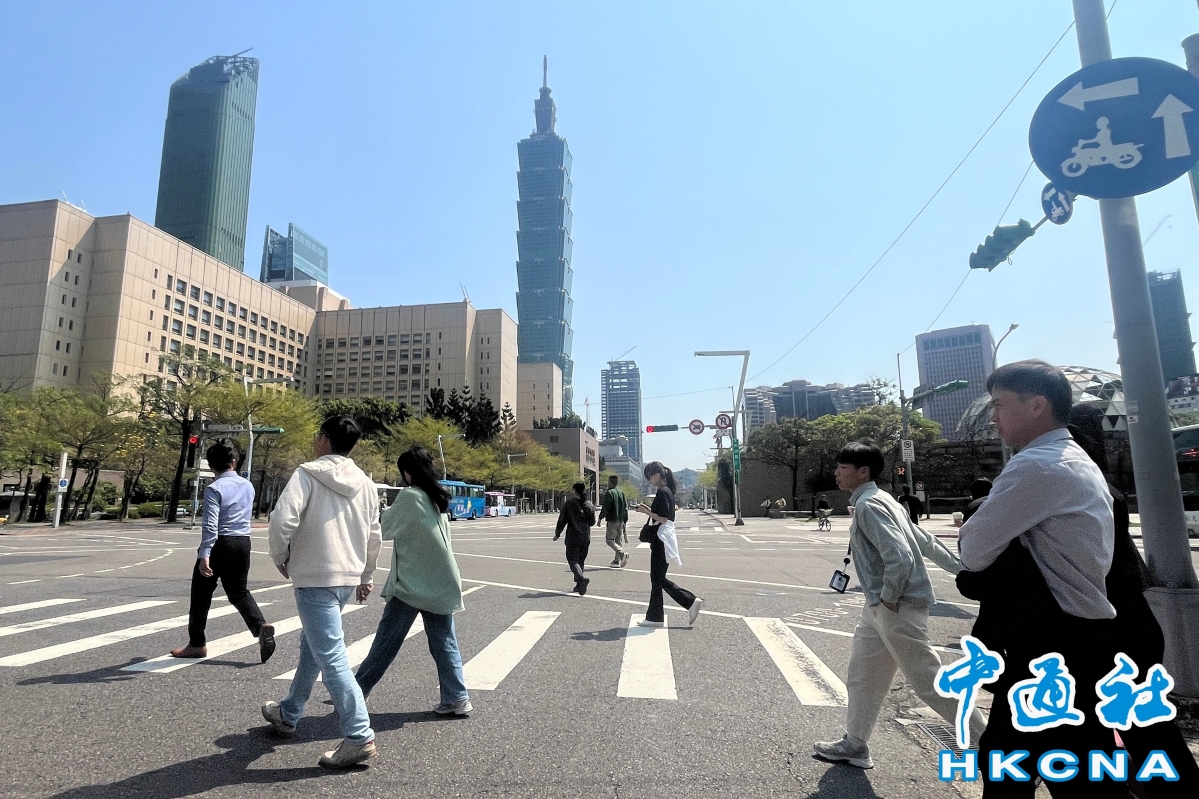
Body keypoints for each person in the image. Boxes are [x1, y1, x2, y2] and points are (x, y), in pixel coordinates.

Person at [956, 361, 1128, 797]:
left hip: (1051, 643)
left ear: (1036, 406)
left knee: (1015, 765)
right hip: (1083, 638)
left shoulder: (1037, 465)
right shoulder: (1076, 459)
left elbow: (973, 550)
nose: (993, 416)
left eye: (999, 404)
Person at [813, 440, 982, 771]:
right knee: (864, 674)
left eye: (843, 468)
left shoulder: (869, 506)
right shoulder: (884, 499)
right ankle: (855, 744)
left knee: (930, 683)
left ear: (863, 472)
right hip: (879, 607)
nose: (836, 473)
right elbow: (926, 541)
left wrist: (889, 597)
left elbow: (901, 556)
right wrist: (962, 570)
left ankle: (992, 741)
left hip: (896, 606)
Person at [1067, 404, 1199, 794]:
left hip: (1113, 626)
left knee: (1140, 726)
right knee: (1142, 725)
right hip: (1130, 621)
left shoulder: (1077, 485)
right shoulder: (1099, 482)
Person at [261, 416, 382, 769]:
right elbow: (374, 533)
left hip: (315, 575)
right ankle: (289, 712)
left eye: (318, 435)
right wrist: (367, 574)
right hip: (347, 576)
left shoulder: (307, 474)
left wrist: (280, 555)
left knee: (331, 657)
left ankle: (359, 736)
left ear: (325, 440)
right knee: (313, 646)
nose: (315, 440)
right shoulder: (365, 483)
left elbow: (282, 519)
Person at [355, 447, 472, 717]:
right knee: (444, 642)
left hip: (412, 583)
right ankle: (456, 697)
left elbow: (384, 527)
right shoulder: (436, 498)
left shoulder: (410, 496)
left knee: (387, 640)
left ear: (407, 472)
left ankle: (356, 690)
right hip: (441, 582)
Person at [169, 441, 275, 662]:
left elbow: (211, 524)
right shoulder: (248, 485)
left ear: (211, 466)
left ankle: (197, 644)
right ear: (233, 462)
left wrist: (204, 554)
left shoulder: (214, 489)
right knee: (239, 593)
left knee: (200, 595)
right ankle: (260, 626)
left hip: (221, 543)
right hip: (243, 542)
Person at [632, 462, 702, 628]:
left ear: (657, 475)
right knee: (657, 578)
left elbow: (663, 518)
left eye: (650, 476)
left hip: (661, 538)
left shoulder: (662, 491)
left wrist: (646, 511)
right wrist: (648, 509)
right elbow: (664, 515)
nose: (649, 480)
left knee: (657, 578)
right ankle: (655, 617)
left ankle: (689, 601)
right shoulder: (667, 491)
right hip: (664, 537)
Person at [553, 481, 596, 595]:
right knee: (580, 561)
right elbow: (592, 522)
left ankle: (581, 580)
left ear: (574, 490)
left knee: (573, 560)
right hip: (586, 536)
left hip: (573, 536)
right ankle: (578, 586)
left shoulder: (570, 503)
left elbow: (562, 519)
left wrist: (557, 533)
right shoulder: (588, 504)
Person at [597, 475, 630, 568]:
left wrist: (600, 518)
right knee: (618, 540)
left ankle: (621, 553)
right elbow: (625, 508)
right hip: (621, 520)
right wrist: (625, 520)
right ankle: (616, 561)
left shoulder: (609, 493)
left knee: (610, 540)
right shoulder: (621, 493)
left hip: (612, 519)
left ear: (610, 482)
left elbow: (605, 507)